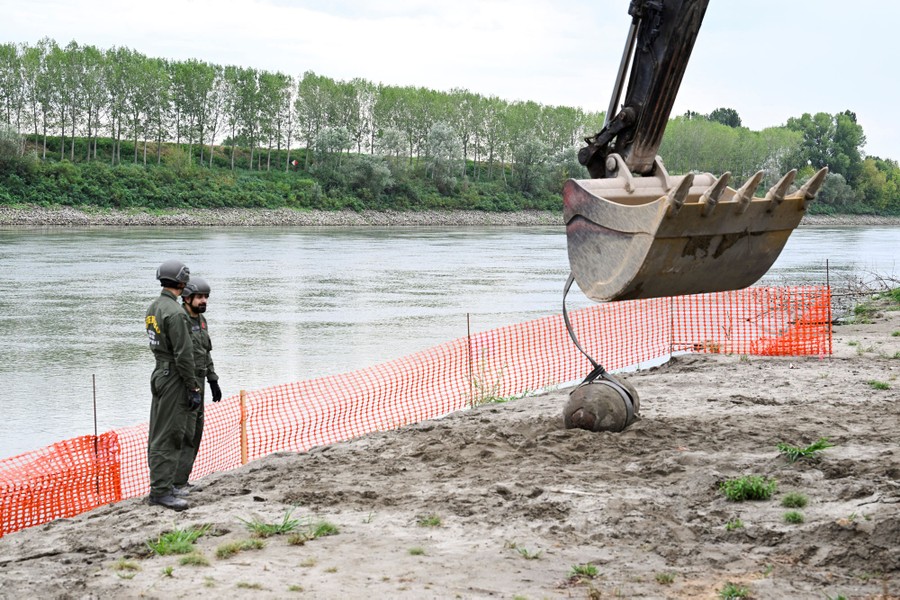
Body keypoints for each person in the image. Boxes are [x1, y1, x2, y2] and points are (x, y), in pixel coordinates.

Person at [145, 259, 201, 511]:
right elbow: (184, 354)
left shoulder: (154, 306)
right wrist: (193, 386)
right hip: (175, 377)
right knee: (170, 434)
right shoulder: (177, 313)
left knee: (159, 432)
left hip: (160, 372)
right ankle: (161, 491)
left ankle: (165, 486)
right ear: (182, 282)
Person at [172, 277, 222, 497]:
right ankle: (174, 483)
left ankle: (182, 481)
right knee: (184, 433)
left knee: (196, 433)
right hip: (184, 384)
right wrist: (190, 387)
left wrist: (213, 380)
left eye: (206, 297)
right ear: (187, 298)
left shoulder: (201, 321)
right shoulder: (179, 319)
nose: (204, 301)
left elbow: (205, 352)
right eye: (200, 297)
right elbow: (179, 356)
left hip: (200, 383)